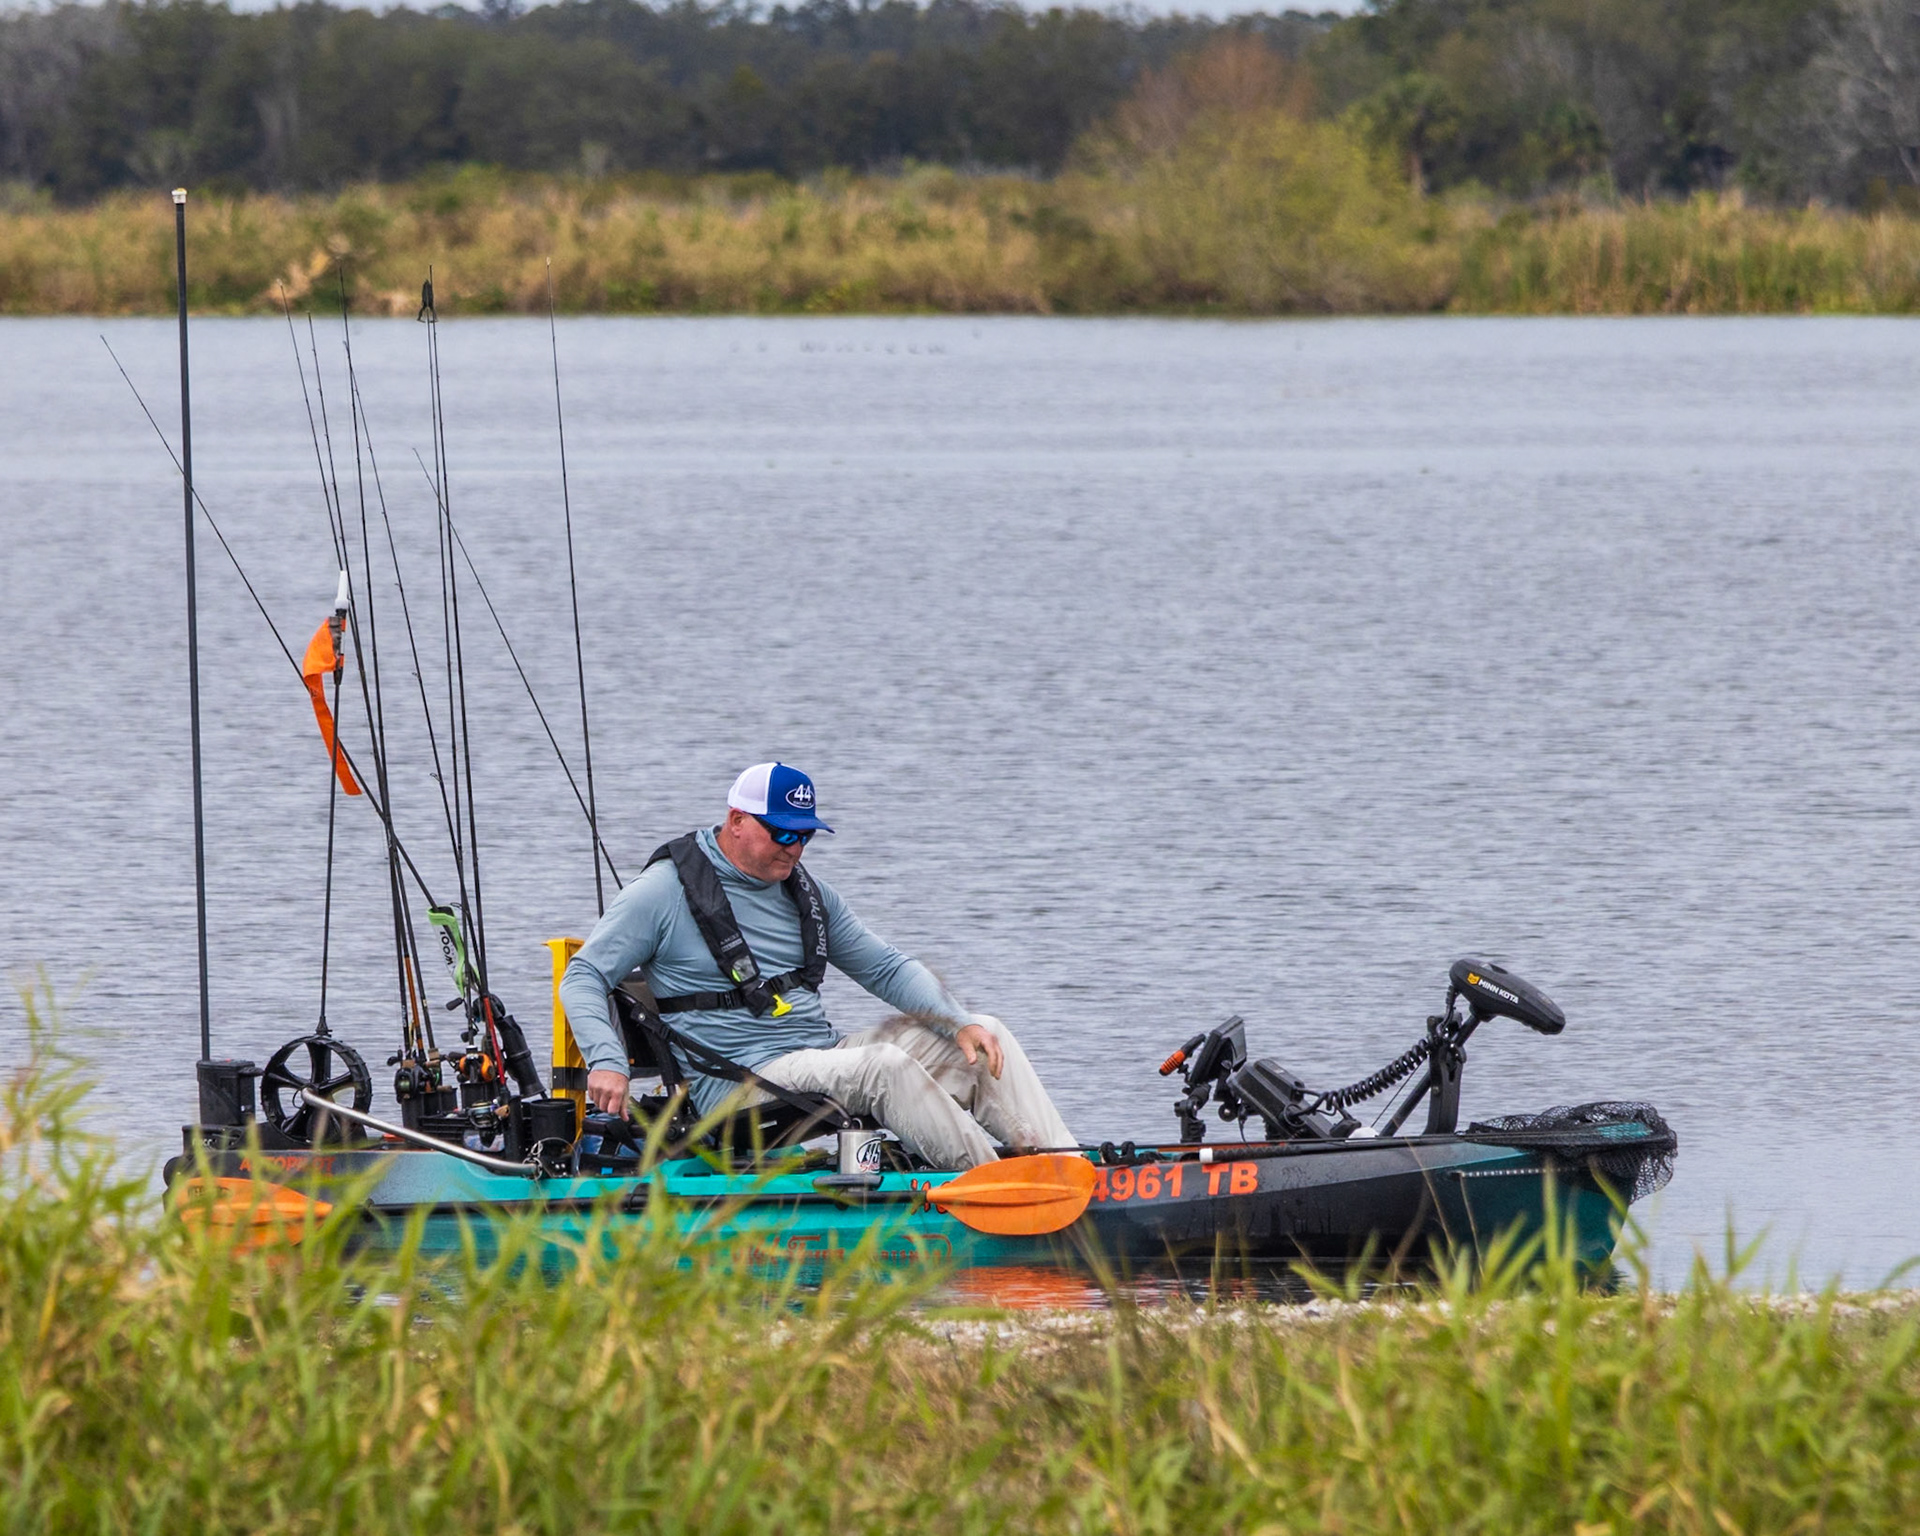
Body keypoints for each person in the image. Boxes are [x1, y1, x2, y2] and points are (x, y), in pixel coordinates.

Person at [557, 762, 1075, 1170]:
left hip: (816, 1057)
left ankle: (1066, 1167)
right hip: (738, 1084)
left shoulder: (806, 892)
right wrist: (607, 1060)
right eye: (783, 833)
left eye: (804, 834)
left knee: (984, 1034)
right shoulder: (662, 892)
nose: (796, 847)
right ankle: (996, 1188)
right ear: (737, 821)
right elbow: (582, 976)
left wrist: (957, 1020)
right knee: (884, 1066)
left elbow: (888, 968)